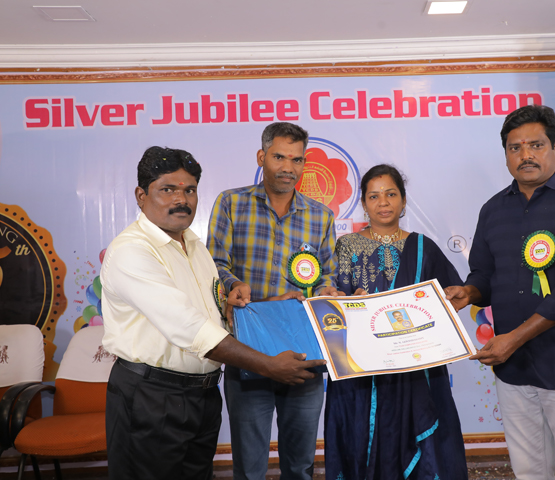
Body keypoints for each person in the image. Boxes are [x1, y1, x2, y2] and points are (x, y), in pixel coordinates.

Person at [100, 147, 324, 480]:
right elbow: (190, 327)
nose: (181, 199)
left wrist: (270, 306)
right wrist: (268, 365)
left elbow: (216, 313)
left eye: (189, 190)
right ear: (141, 195)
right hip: (152, 397)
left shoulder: (194, 246)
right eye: (168, 189)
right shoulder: (132, 251)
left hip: (201, 396)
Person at [445, 104, 555, 480]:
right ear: (506, 155)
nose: (526, 155)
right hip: (514, 370)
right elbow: (485, 276)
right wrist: (469, 292)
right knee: (528, 471)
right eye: (515, 147)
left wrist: (515, 338)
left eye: (536, 145)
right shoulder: (492, 210)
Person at [207, 123, 340, 480]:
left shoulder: (321, 216)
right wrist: (236, 285)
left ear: (304, 163)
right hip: (249, 350)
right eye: (279, 157)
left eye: (296, 160)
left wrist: (326, 292)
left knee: (300, 466)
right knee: (250, 467)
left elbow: (327, 276)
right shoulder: (230, 203)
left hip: (304, 353)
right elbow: (214, 264)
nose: (288, 167)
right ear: (261, 157)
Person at [325, 164, 468, 480]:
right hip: (363, 371)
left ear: (403, 200)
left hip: (416, 369)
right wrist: (346, 303)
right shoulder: (347, 246)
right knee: (362, 443)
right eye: (374, 196)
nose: (383, 202)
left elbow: (451, 299)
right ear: (364, 203)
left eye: (391, 194)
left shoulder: (423, 247)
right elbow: (334, 308)